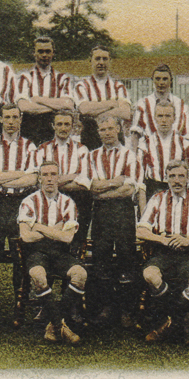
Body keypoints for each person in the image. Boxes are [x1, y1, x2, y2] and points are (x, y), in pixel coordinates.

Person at [137, 160, 189, 345]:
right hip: (162, 253)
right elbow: (140, 230)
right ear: (166, 178)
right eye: (172, 176)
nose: (177, 180)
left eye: (181, 176)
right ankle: (184, 320)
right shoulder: (157, 199)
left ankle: (169, 322)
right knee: (149, 275)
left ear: (188, 178)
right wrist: (163, 239)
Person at [74, 114, 139, 327]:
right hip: (100, 212)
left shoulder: (130, 154)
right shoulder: (90, 157)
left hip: (123, 212)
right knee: (101, 258)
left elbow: (129, 189)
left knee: (125, 257)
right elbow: (89, 188)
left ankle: (126, 310)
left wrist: (102, 187)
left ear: (119, 129)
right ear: (98, 132)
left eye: (111, 128)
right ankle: (105, 307)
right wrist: (114, 182)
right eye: (102, 130)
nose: (107, 133)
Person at [0, 103, 37, 323]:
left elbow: (32, 179)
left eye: (15, 117)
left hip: (20, 203)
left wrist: (2, 174)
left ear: (21, 119)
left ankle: (19, 305)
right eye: (7, 117)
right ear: (0, 119)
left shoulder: (30, 146)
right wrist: (17, 175)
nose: (11, 121)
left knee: (19, 254)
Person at [18, 160, 85, 344]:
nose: (49, 179)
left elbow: (67, 238)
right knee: (37, 275)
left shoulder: (68, 202)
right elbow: (25, 237)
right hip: (37, 253)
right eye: (45, 175)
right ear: (39, 178)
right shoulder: (29, 202)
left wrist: (38, 226)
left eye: (53, 174)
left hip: (61, 252)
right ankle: (61, 326)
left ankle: (53, 324)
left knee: (80, 274)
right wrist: (55, 229)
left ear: (58, 178)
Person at [33, 110, 91, 253]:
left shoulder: (82, 149)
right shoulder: (42, 149)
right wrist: (71, 176)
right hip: (49, 200)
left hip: (76, 199)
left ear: (73, 126)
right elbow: (38, 180)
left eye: (67, 124)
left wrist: (54, 181)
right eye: (59, 124)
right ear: (53, 125)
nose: (63, 128)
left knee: (73, 243)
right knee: (50, 240)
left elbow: (85, 182)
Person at [137, 100, 189, 215]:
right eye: (160, 116)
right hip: (153, 193)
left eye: (167, 116)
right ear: (154, 118)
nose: (164, 120)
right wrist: (143, 213)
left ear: (174, 118)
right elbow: (140, 184)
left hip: (179, 194)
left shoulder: (186, 145)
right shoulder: (144, 145)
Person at [16, 36, 74, 144]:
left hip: (55, 129)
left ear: (53, 53)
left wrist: (38, 99)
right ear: (34, 53)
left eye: (48, 51)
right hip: (30, 129)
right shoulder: (25, 78)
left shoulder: (62, 78)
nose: (44, 55)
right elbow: (23, 106)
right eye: (40, 51)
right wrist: (55, 106)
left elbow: (68, 104)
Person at [73, 45, 132, 150]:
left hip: (116, 138)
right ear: (90, 61)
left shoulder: (119, 86)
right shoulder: (82, 85)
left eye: (105, 59)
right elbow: (84, 109)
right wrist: (112, 103)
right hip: (91, 138)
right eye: (97, 59)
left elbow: (126, 112)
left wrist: (96, 113)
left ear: (110, 61)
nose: (101, 62)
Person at [130, 63, 189, 150]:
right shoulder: (142, 104)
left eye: (165, 79)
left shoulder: (181, 105)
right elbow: (135, 135)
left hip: (175, 153)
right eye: (157, 79)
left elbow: (187, 136)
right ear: (153, 80)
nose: (161, 83)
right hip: (150, 153)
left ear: (171, 81)